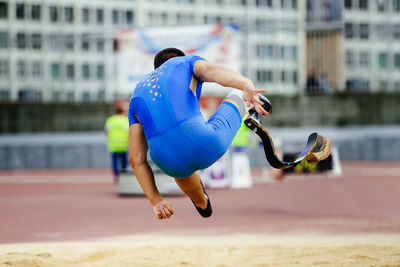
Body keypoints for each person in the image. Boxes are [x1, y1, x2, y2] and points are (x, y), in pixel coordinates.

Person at [128, 47, 270, 220]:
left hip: (166, 163)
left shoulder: (137, 93)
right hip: (204, 142)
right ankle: (251, 106)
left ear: (155, 69)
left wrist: (156, 201)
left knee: (181, 169)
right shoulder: (186, 62)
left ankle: (202, 201)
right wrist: (245, 84)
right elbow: (212, 71)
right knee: (238, 91)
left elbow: (136, 160)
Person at [105, 107, 129, 183]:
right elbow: (129, 132)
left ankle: (116, 176)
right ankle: (123, 175)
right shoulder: (125, 120)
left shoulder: (110, 120)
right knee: (124, 161)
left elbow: (107, 132)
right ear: (122, 112)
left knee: (114, 161)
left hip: (113, 144)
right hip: (123, 144)